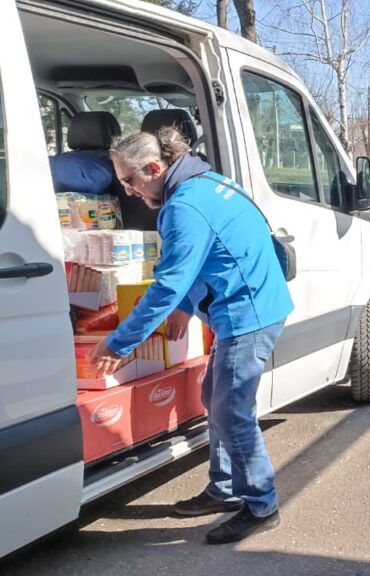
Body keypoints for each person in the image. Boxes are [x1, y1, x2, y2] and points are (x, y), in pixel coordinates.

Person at [88, 127, 294, 545]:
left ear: (153, 167)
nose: (127, 191)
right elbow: (212, 253)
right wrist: (185, 308)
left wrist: (119, 343)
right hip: (254, 303)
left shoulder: (184, 206)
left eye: (130, 180)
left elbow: (169, 282)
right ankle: (225, 488)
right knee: (215, 399)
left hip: (246, 315)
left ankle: (260, 503)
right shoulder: (208, 182)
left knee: (231, 411)